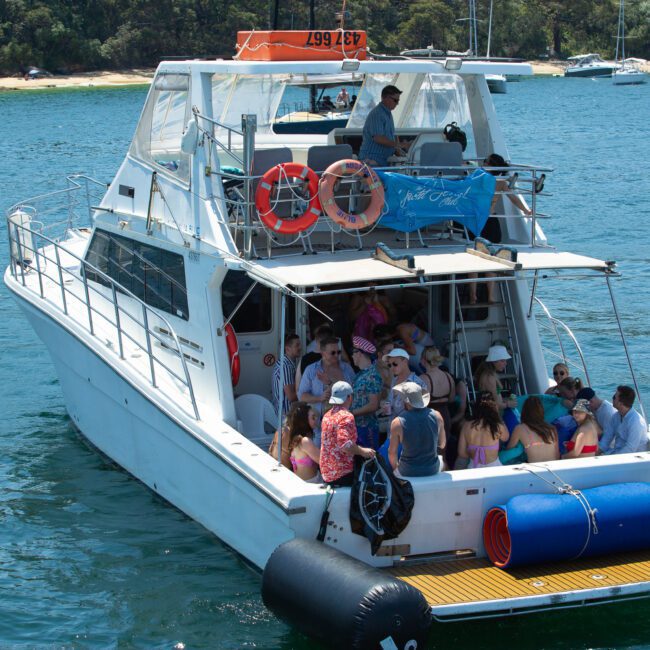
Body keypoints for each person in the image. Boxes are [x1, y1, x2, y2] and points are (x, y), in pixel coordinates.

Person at [320, 381, 376, 487]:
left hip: (326, 473)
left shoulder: (327, 416)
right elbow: (345, 445)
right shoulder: (346, 416)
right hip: (342, 474)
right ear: (349, 397)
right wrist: (363, 451)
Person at [388, 382, 445, 477]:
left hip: (407, 471)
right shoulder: (437, 416)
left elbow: (391, 453)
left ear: (406, 401)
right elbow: (442, 444)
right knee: (443, 462)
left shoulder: (397, 423)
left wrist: (396, 468)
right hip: (432, 469)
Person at [298, 336, 355, 415]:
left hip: (343, 420)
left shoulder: (347, 369)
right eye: (332, 353)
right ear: (322, 353)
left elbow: (355, 393)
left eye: (338, 352)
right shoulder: (311, 370)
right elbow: (302, 396)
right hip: (319, 421)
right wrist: (319, 398)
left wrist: (330, 383)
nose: (336, 355)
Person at [359, 85, 411, 167]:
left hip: (382, 160)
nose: (397, 103)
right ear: (386, 98)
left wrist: (400, 152)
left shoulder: (388, 114)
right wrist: (400, 144)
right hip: (371, 160)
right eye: (395, 100)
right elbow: (379, 138)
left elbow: (391, 136)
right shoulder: (378, 114)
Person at [456, 392, 509, 469]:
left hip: (473, 467)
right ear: (494, 407)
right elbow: (506, 437)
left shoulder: (466, 426)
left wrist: (473, 450)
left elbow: (462, 454)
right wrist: (498, 417)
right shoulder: (497, 425)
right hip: (494, 468)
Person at [350, 336, 383, 449]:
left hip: (366, 428)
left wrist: (352, 413)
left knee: (370, 463)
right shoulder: (361, 374)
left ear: (359, 353)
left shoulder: (372, 376)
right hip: (358, 427)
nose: (352, 355)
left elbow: (374, 405)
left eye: (353, 352)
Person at [599, 385, 649, 455]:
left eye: (614, 397)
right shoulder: (616, 417)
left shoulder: (636, 422)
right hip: (617, 453)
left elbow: (630, 449)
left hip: (634, 459)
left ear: (621, 403)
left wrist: (612, 457)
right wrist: (598, 450)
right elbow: (607, 437)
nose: (612, 398)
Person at [419, 346, 455, 443]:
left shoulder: (423, 379)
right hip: (445, 416)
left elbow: (419, 405)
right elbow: (451, 399)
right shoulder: (448, 376)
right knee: (443, 452)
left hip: (430, 418)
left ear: (423, 360)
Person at [507, 396, 559, 463]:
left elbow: (509, 450)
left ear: (524, 411)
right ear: (541, 411)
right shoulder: (552, 429)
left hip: (536, 470)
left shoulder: (520, 428)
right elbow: (557, 455)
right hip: (554, 469)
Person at [383, 348, 428, 418]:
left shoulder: (417, 382)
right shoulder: (394, 380)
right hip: (393, 425)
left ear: (405, 361)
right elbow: (390, 403)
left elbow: (420, 410)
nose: (392, 368)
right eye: (389, 365)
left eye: (395, 364)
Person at [474, 344, 517, 412]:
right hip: (492, 416)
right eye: (502, 361)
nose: (506, 363)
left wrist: (505, 400)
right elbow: (492, 404)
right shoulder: (489, 378)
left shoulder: (491, 374)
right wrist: (507, 404)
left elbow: (495, 399)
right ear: (494, 361)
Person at [286, 402, 321, 482]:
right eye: (313, 417)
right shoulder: (305, 441)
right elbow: (322, 460)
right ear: (304, 421)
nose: (316, 420)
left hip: (305, 482)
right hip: (311, 484)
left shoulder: (296, 438)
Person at [271, 333, 301, 418]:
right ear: (287, 349)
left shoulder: (287, 363)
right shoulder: (285, 366)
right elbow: (291, 396)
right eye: (297, 345)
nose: (300, 348)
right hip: (286, 414)